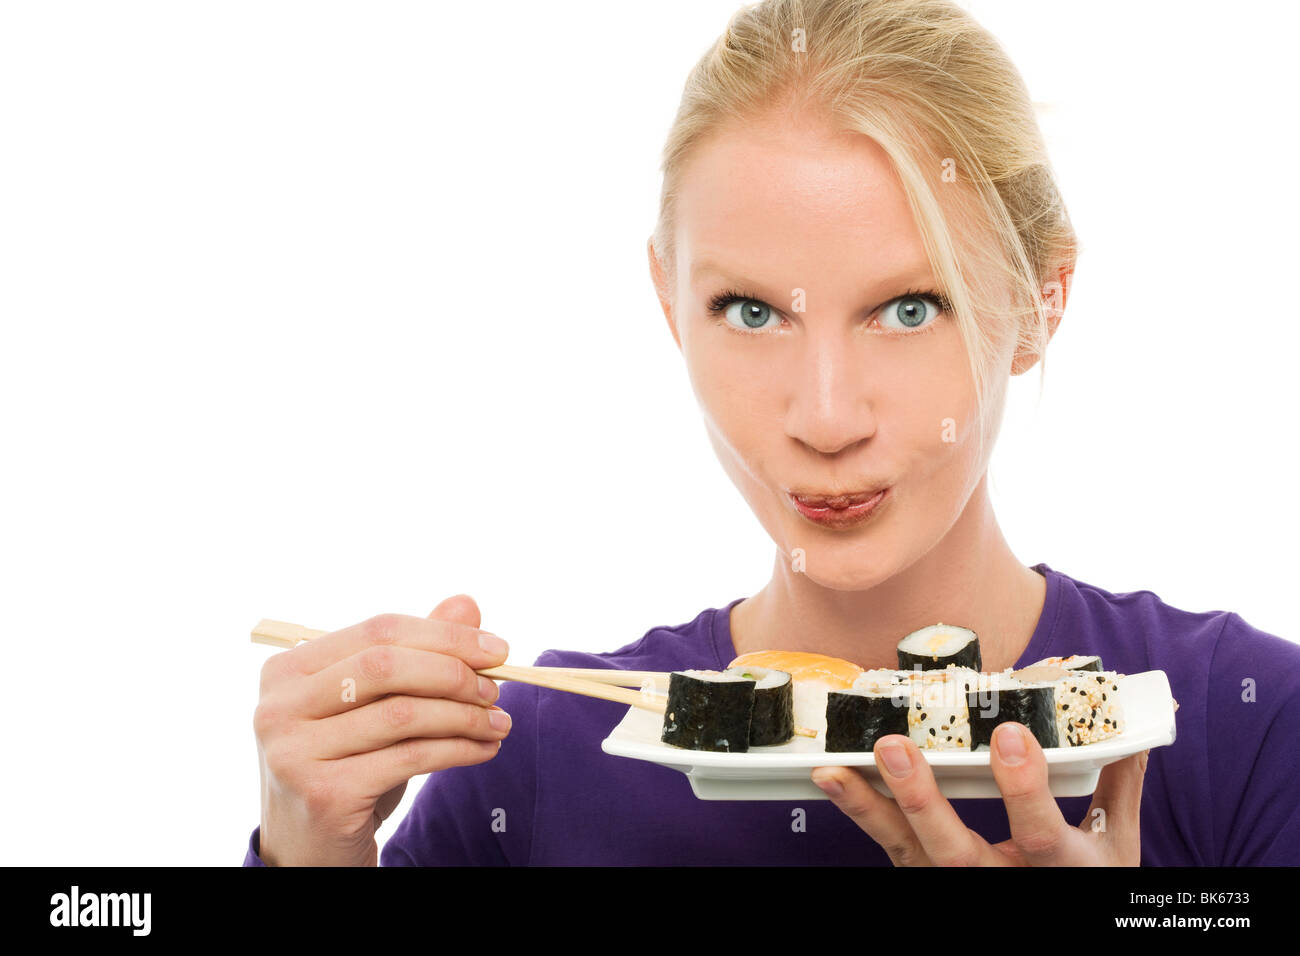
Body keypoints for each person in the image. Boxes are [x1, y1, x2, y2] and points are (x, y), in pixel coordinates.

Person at [245, 0, 1300, 866]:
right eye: (750, 311)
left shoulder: (1246, 726)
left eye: (908, 307)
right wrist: (306, 852)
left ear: (1037, 301)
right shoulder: (542, 756)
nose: (827, 418)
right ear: (668, 303)